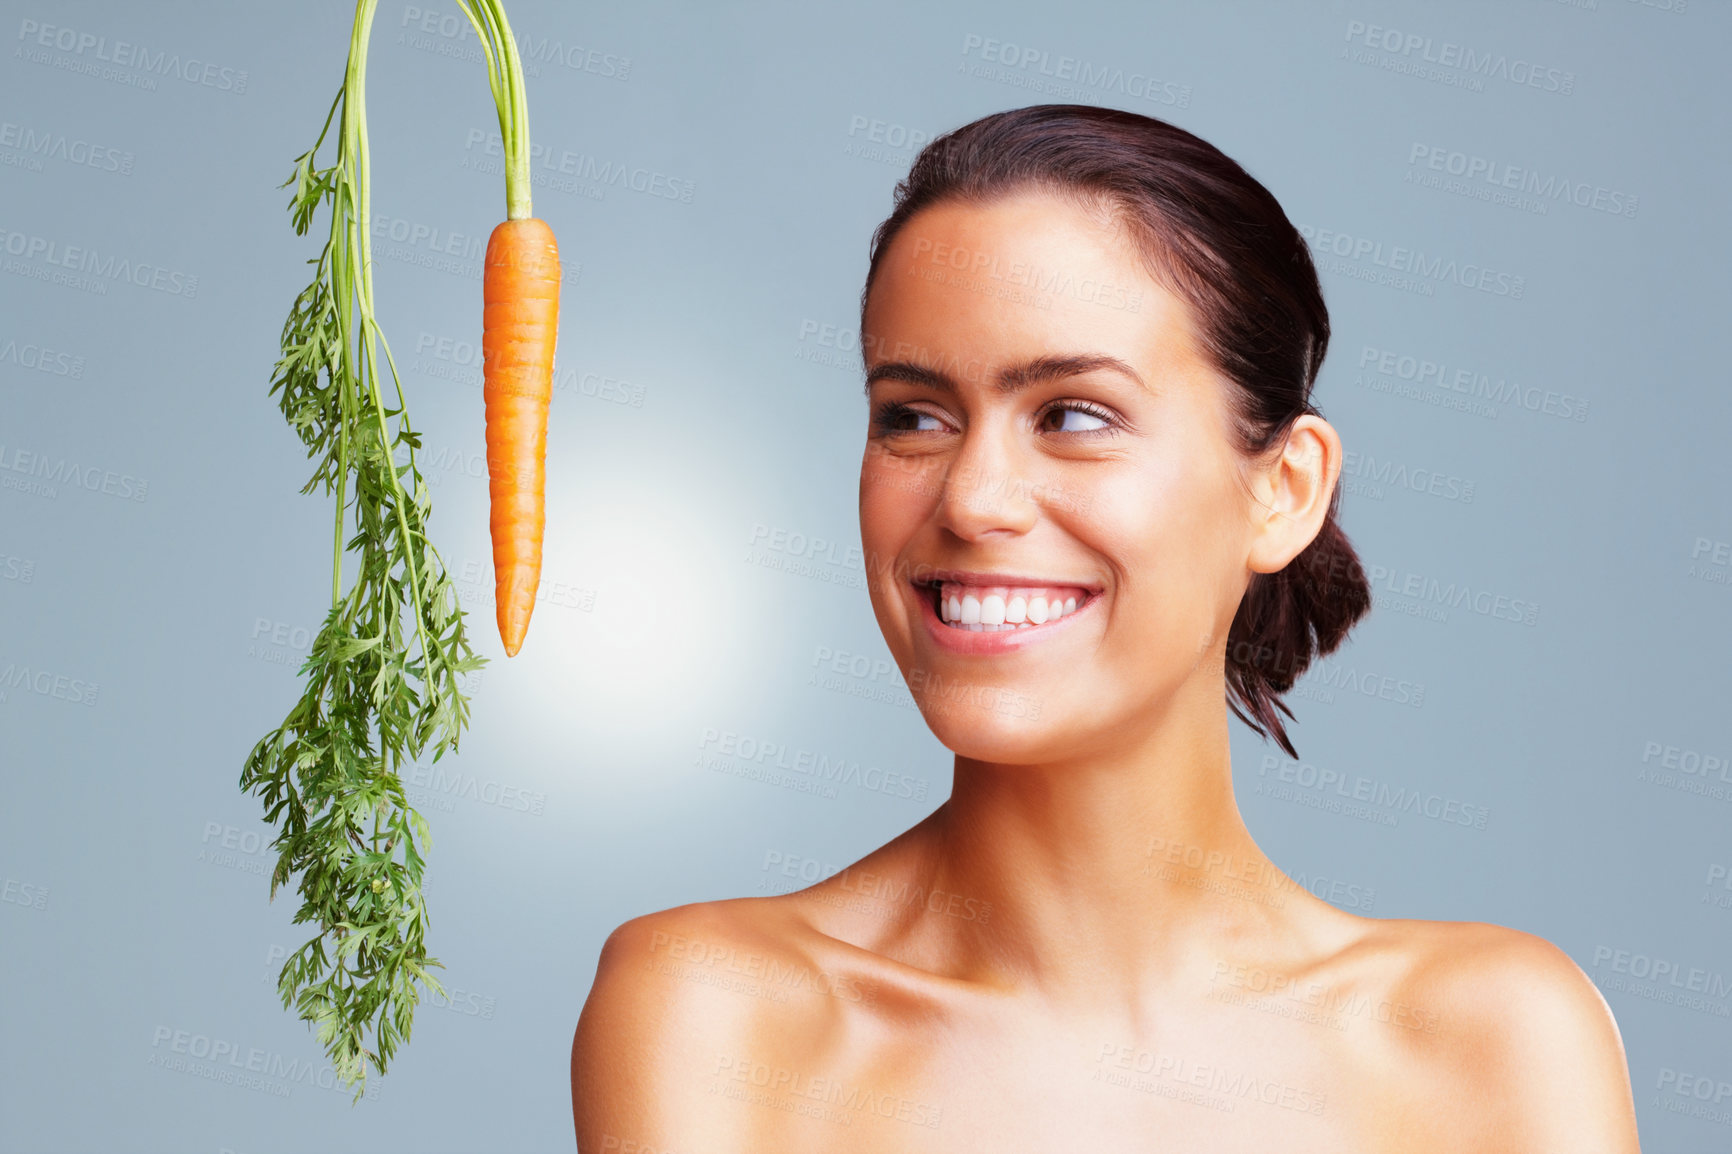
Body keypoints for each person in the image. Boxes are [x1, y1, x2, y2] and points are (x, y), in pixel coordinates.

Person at [570, 104, 1641, 1152]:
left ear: (1283, 489)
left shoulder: (1492, 1038)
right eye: (915, 416)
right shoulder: (724, 1014)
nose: (973, 497)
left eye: (1073, 414)